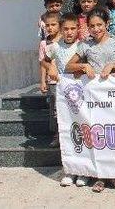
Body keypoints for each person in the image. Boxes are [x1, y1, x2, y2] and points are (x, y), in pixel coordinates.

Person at [65, 7, 115, 193]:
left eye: (99, 25)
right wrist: (84, 65)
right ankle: (101, 176)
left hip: (114, 98)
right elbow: (68, 66)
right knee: (100, 136)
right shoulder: (85, 45)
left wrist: (112, 65)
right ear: (87, 27)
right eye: (92, 26)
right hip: (94, 99)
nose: (96, 29)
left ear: (107, 24)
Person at [43, 13, 83, 186]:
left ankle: (83, 170)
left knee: (82, 129)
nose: (69, 32)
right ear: (61, 29)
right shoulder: (54, 47)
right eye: (65, 28)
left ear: (78, 29)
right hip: (62, 93)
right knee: (66, 130)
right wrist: (51, 67)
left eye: (72, 28)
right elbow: (44, 61)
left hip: (81, 94)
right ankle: (68, 170)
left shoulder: (83, 46)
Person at [39, 12, 61, 94]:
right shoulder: (43, 44)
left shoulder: (65, 41)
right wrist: (43, 81)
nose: (50, 27)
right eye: (47, 25)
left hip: (66, 79)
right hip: (52, 81)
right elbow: (42, 63)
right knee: (54, 105)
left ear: (60, 25)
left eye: (53, 24)